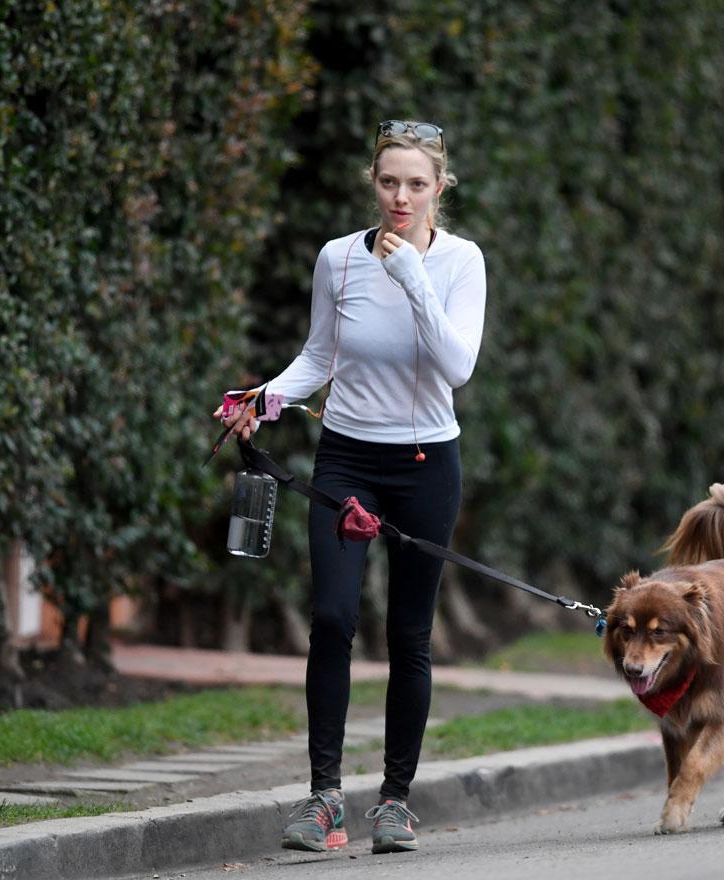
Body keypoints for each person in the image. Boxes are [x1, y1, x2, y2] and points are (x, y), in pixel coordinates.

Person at [214, 119, 485, 855]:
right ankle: (324, 798)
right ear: (373, 181)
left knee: (410, 636)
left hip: (428, 465)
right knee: (332, 618)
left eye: (417, 185)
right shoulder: (337, 259)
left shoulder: (461, 262)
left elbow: (458, 367)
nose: (401, 197)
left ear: (439, 189)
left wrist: (412, 278)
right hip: (347, 460)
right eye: (389, 182)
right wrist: (259, 401)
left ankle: (394, 803)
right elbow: (317, 357)